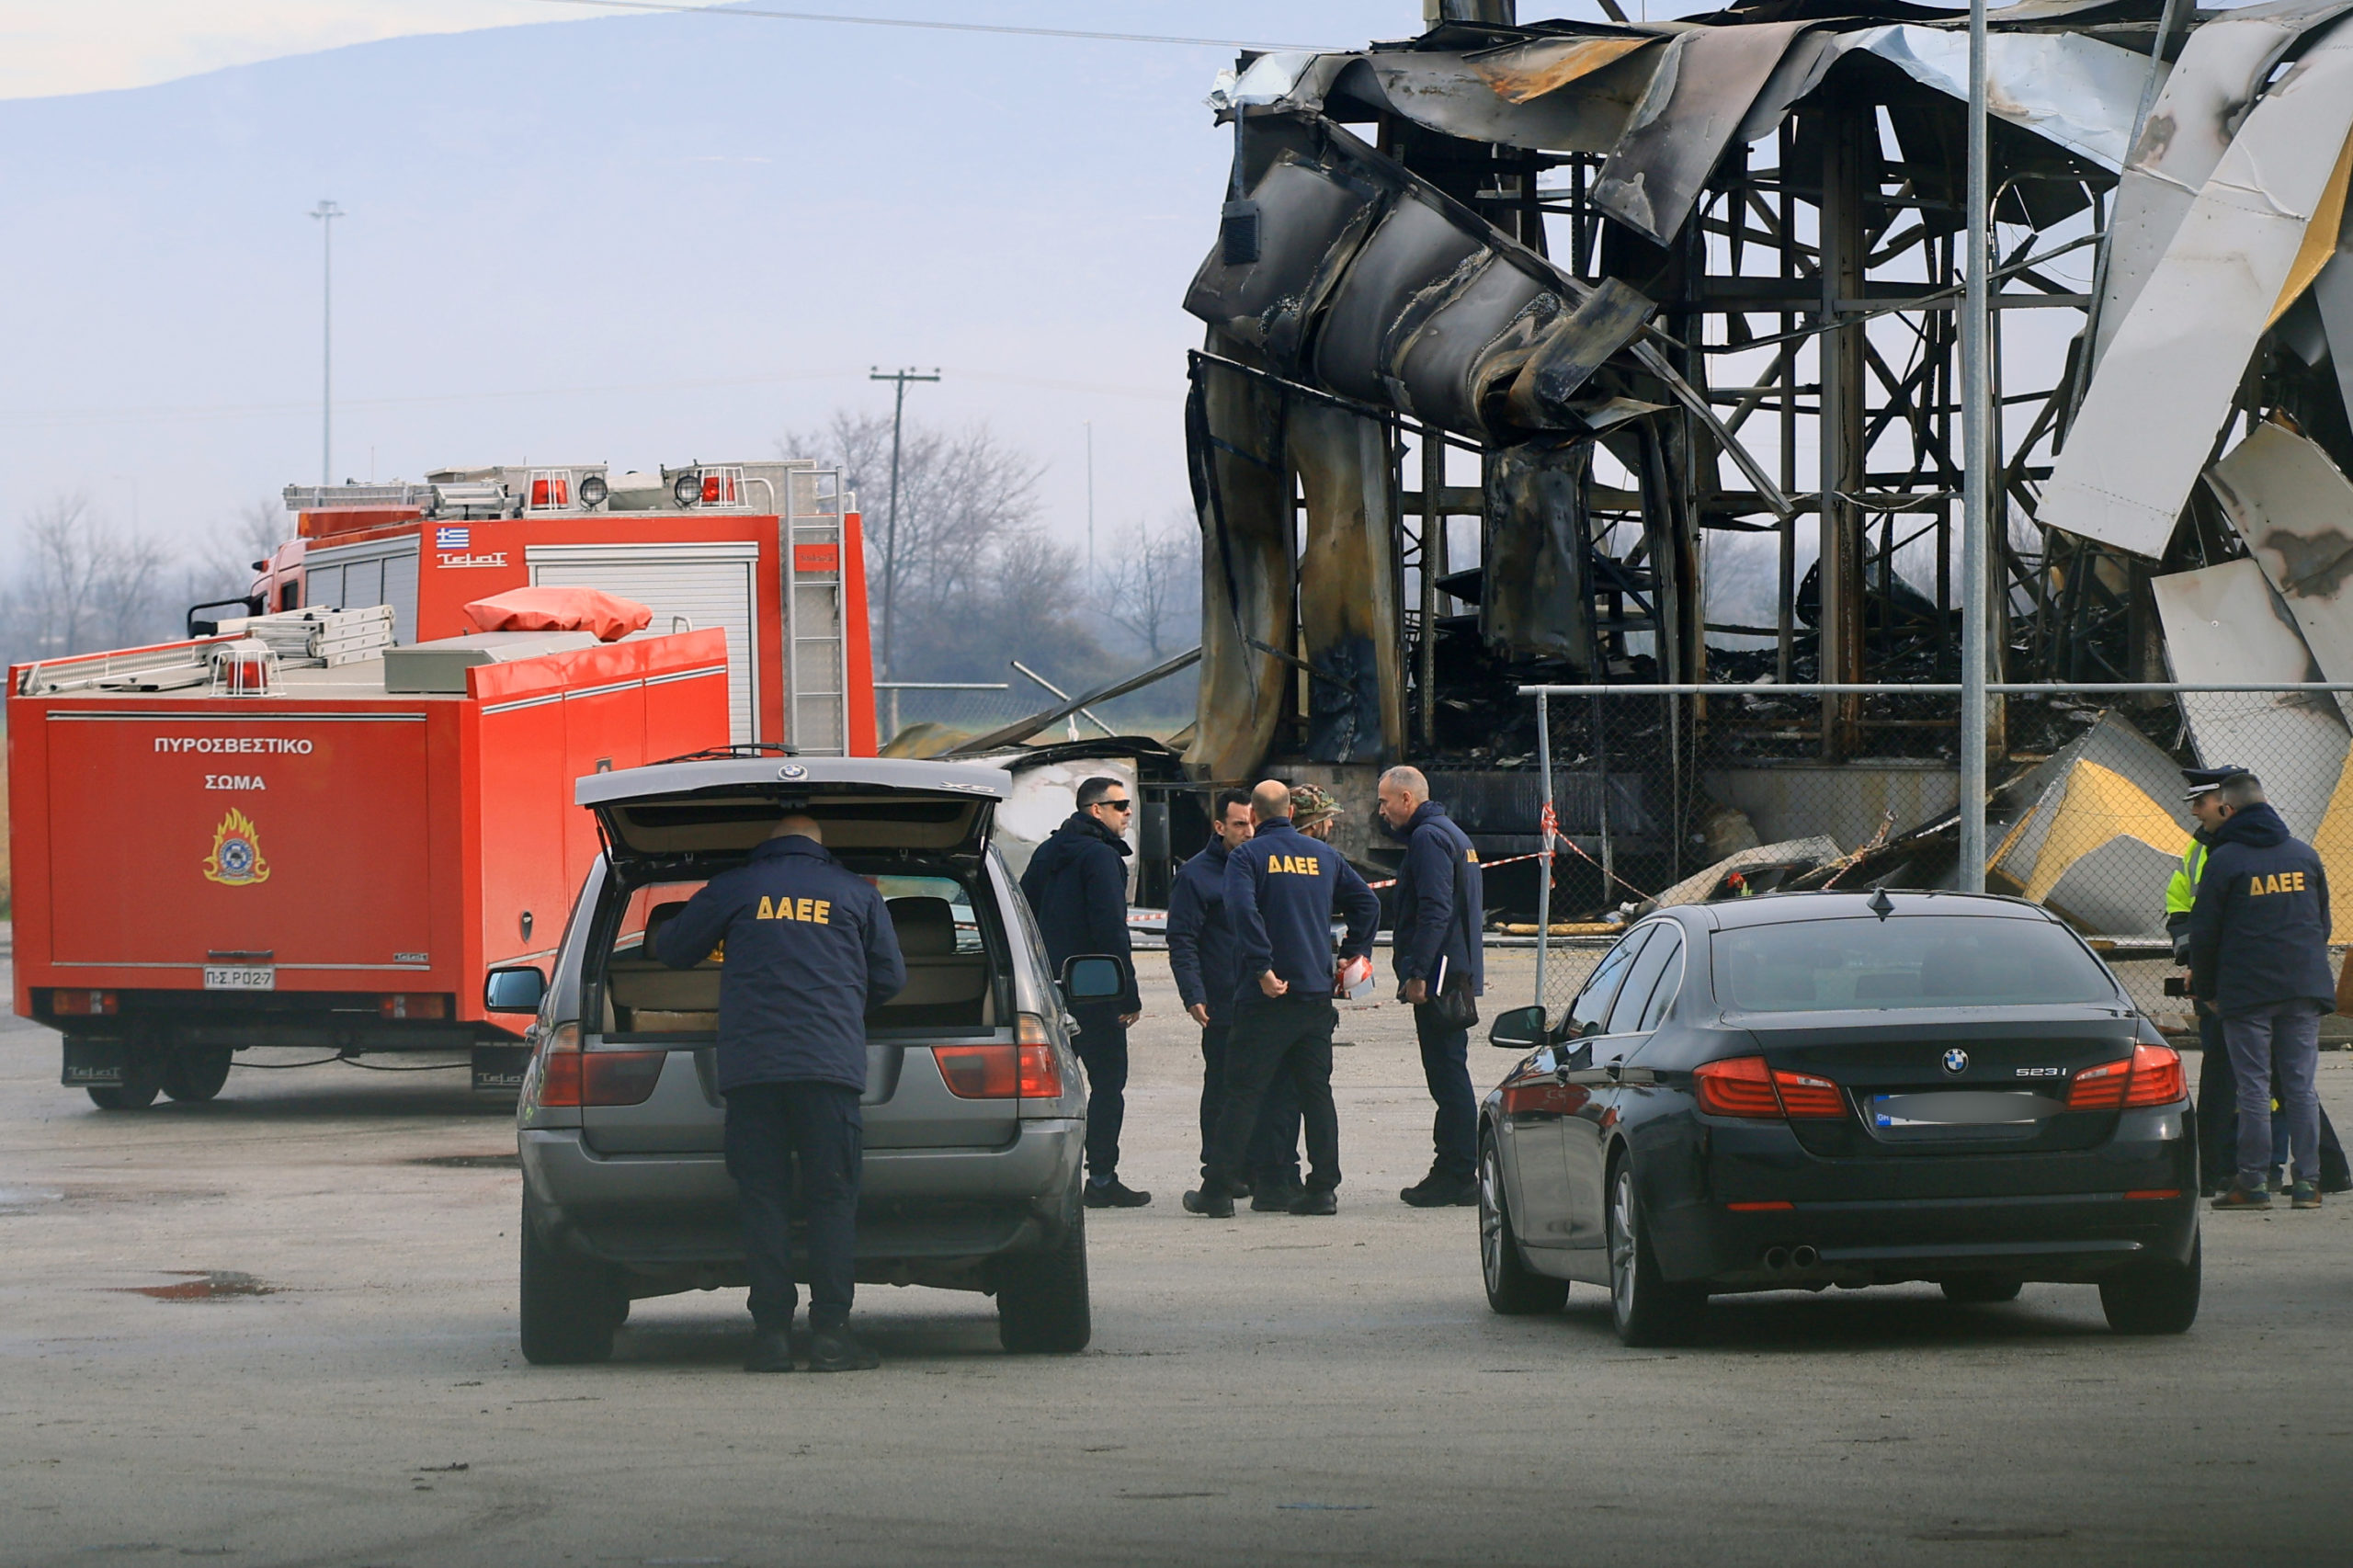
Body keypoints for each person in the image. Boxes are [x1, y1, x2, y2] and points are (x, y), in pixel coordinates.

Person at [654, 812, 904, 1373]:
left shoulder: (735, 888)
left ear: (767, 845)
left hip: (754, 1072)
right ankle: (833, 1336)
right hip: (829, 1070)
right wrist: (839, 1003)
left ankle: (769, 1337)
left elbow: (672, 952)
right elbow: (891, 978)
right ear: (822, 846)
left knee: (761, 1199)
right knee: (831, 1199)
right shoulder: (854, 893)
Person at [1186, 780, 1380, 1219]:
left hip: (1266, 998)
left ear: (1253, 816)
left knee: (1242, 1093)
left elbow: (1241, 911)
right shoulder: (1325, 857)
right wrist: (1353, 953)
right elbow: (1367, 903)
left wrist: (1262, 968)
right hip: (1314, 996)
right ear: (1291, 811)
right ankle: (1323, 1189)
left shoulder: (1247, 856)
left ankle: (1216, 1192)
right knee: (1316, 1095)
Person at [2169, 766, 2349, 1195]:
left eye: (2202, 803)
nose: (2196, 811)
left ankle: (2252, 1182)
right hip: (2303, 987)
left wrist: (2208, 991)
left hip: (2247, 992)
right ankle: (2310, 1181)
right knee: (2299, 1086)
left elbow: (2207, 933)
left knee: (2251, 1087)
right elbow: (2321, 924)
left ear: (2227, 807)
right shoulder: (2304, 853)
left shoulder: (2224, 858)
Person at [1168, 789, 1306, 1210]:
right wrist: (1193, 993)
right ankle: (1221, 1172)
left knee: (1273, 1092)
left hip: (1266, 1002)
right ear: (1219, 827)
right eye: (1238, 825)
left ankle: (1268, 1170)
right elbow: (1183, 939)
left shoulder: (1267, 864)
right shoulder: (1197, 875)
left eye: (1252, 823)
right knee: (1224, 1092)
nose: (1247, 832)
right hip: (1223, 1001)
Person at [1019, 775, 1150, 1208]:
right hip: (1095, 990)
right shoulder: (1102, 858)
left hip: (1048, 990)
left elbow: (1024, 912)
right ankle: (1103, 1179)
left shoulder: (1047, 851)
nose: (1128, 812)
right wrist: (1127, 993)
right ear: (1097, 810)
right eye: (1121, 805)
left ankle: (1049, 1181)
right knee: (1108, 1085)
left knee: (1051, 1090)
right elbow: (1111, 929)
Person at [1377, 765, 1485, 1208]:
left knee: (1447, 1077)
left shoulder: (1427, 838)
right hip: (1456, 970)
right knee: (1450, 1072)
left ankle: (1457, 1172)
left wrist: (1418, 973)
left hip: (1440, 976)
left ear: (1407, 799)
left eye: (1385, 801)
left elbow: (1435, 910)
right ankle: (1456, 1169)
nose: (1380, 810)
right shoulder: (1452, 834)